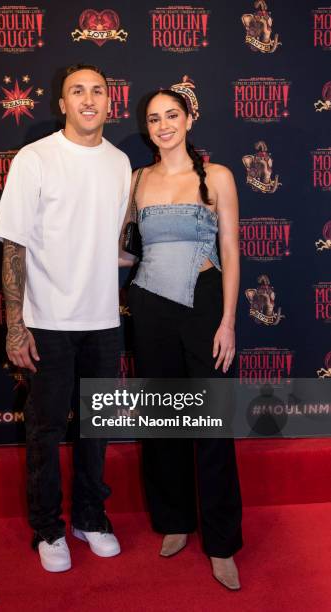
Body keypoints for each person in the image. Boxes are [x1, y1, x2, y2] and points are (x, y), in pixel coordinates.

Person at [0, 64, 132, 572]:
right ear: (62, 103)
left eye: (99, 90)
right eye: (78, 91)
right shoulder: (36, 158)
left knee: (96, 426)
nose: (89, 99)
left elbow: (111, 243)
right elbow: (13, 245)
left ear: (110, 102)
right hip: (46, 319)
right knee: (45, 430)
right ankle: (49, 528)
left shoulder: (120, 164)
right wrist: (15, 323)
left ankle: (90, 517)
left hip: (102, 320)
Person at [120, 89, 243, 590]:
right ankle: (174, 520)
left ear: (189, 118)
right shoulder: (136, 181)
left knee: (213, 425)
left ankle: (221, 543)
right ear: (146, 128)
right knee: (164, 421)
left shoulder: (217, 177)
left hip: (206, 302)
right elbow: (122, 249)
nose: (163, 125)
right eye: (154, 118)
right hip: (149, 306)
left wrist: (228, 320)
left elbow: (232, 248)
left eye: (172, 115)